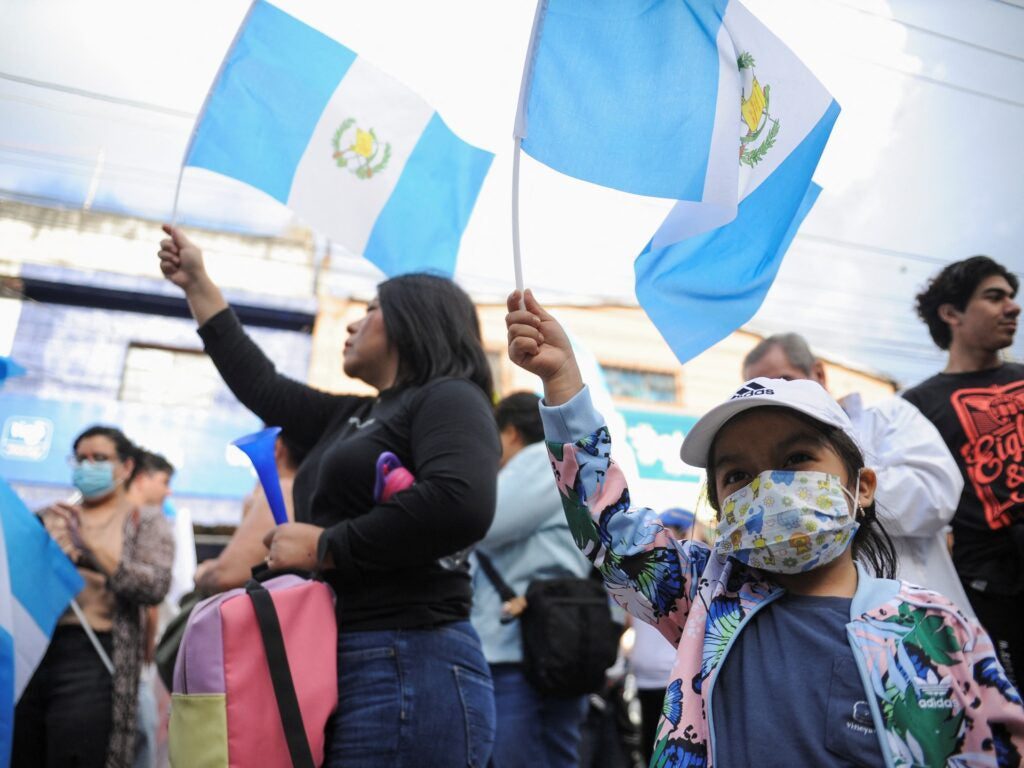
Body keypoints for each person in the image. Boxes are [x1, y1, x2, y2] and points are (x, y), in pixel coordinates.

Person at [506, 289, 1024, 767]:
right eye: (737, 475)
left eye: (796, 458)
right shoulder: (701, 600)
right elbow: (606, 520)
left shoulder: (935, 627)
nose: (769, 488)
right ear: (719, 505)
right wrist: (563, 383)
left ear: (863, 487)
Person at [158, 225, 500, 767]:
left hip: (411, 658)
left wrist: (326, 545)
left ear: (414, 322)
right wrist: (199, 286)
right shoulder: (354, 416)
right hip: (346, 657)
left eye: (371, 309)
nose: (352, 321)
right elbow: (262, 386)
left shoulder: (449, 398)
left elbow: (460, 502)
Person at [742, 332, 972, 615]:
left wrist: (827, 482)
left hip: (926, 629)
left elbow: (936, 497)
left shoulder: (889, 417)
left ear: (818, 373)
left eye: (785, 381)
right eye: (763, 390)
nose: (779, 397)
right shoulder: (766, 471)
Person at [14, 426, 174, 768]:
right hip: (36, 650)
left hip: (96, 657)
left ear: (126, 467)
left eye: (99, 459)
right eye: (81, 459)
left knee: (79, 752)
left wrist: (90, 552)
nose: (88, 467)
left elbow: (155, 585)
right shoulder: (49, 517)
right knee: (25, 749)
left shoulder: (142, 521)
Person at [903, 255, 1024, 687]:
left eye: (1012, 297)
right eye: (995, 297)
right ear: (951, 313)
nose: (1012, 307)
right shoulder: (914, 407)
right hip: (991, 592)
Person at [471, 391, 592, 768]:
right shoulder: (566, 468)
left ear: (508, 433)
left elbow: (481, 522)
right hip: (554, 640)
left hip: (520, 649)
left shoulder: (538, 462)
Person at [193, 432, 305, 593]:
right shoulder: (306, 489)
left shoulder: (283, 490)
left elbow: (226, 577)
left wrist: (203, 573)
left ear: (277, 447)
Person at [630, 508, 696, 766]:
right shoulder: (688, 570)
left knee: (656, 749)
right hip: (665, 678)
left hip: (662, 677)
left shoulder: (639, 570)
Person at [125, 450, 175, 768]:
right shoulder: (146, 519)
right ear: (141, 478)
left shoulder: (149, 519)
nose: (168, 490)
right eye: (164, 481)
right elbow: (151, 598)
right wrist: (147, 646)